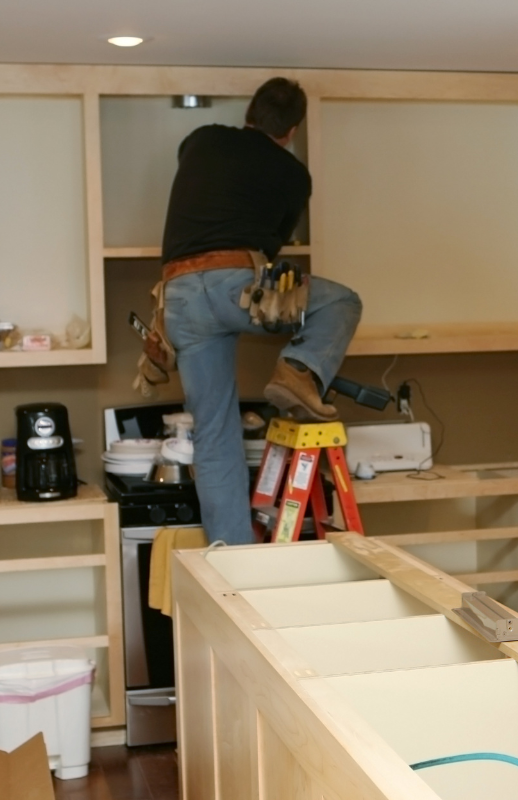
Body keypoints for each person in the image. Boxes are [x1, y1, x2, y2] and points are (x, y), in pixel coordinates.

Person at [159, 77, 362, 546]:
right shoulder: (294, 175)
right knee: (342, 301)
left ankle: (232, 556)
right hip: (234, 286)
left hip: (177, 298)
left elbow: (192, 170)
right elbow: (269, 249)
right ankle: (298, 370)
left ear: (248, 114)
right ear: (291, 130)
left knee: (214, 437)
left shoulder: (202, 139)